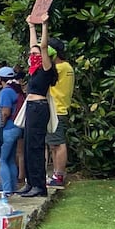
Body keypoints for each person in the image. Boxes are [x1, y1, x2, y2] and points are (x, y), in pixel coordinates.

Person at [19, 20, 56, 198]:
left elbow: (42, 46)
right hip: (31, 106)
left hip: (39, 108)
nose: (33, 54)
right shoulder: (34, 70)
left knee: (35, 146)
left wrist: (44, 25)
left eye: (36, 53)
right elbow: (34, 45)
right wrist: (31, 27)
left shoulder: (47, 69)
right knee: (27, 146)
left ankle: (39, 186)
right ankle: (31, 182)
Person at [46, 39, 74, 187]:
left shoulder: (60, 68)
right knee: (54, 144)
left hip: (56, 108)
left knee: (58, 144)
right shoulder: (67, 66)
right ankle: (56, 173)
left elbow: (44, 70)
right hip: (60, 108)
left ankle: (59, 175)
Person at [0, 67, 25, 195]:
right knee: (10, 159)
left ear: (0, 79)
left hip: (8, 129)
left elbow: (5, 112)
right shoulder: (17, 90)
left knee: (1, 159)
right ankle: (12, 187)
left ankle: (6, 189)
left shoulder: (5, 92)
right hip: (17, 128)